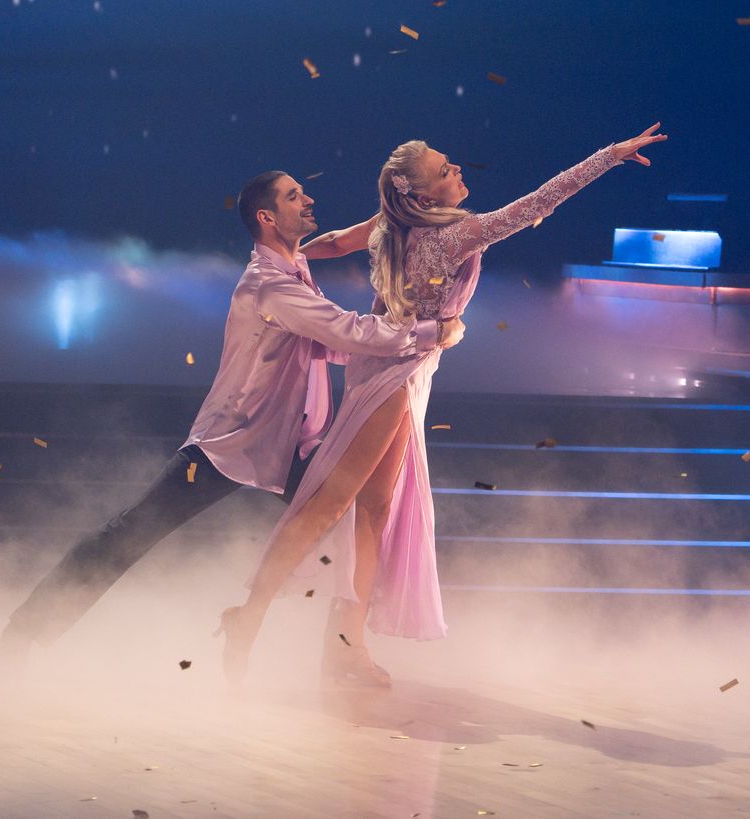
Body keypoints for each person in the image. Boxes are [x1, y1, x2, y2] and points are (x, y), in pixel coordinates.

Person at [218, 124, 668, 687]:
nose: (456, 170)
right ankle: (249, 617)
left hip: (402, 369)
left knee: (374, 511)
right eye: (443, 169)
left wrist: (291, 257)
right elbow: (539, 202)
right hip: (394, 371)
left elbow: (333, 243)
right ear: (421, 193)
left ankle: (345, 648)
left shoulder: (392, 224)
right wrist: (610, 155)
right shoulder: (456, 235)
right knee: (330, 505)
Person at [0, 170, 465, 675]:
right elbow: (346, 332)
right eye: (293, 196)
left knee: (352, 523)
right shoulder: (268, 285)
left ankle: (339, 650)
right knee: (130, 533)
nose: (308, 199)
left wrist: (404, 338)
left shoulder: (296, 271)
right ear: (267, 217)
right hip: (229, 444)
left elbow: (330, 344)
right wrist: (429, 332)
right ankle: (24, 631)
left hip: (289, 445)